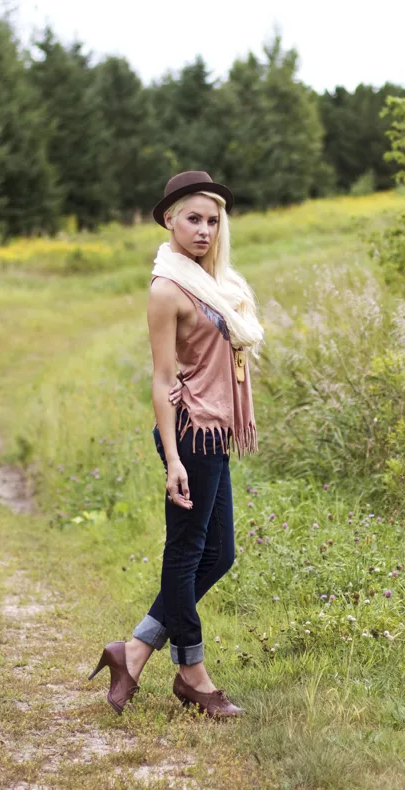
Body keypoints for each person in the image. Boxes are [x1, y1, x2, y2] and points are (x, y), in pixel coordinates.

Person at [88, 171, 264, 719]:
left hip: (216, 432)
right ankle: (193, 674)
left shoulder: (223, 285)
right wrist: (172, 459)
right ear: (169, 219)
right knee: (187, 555)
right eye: (194, 218)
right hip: (189, 432)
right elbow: (163, 378)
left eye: (213, 221)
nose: (205, 230)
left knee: (220, 554)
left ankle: (135, 649)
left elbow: (226, 360)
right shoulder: (167, 290)